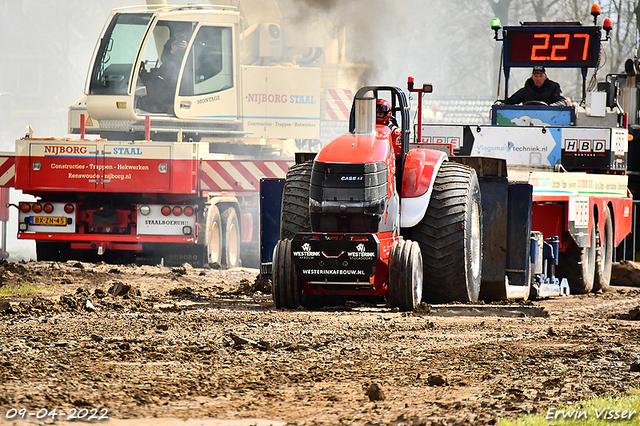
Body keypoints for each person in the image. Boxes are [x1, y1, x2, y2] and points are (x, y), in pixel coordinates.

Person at [504, 66, 568, 106]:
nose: (538, 79)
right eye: (536, 76)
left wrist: (550, 107)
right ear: (532, 77)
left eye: (540, 76)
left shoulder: (553, 89)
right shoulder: (526, 90)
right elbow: (510, 101)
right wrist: (500, 103)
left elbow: (562, 102)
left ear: (545, 77)